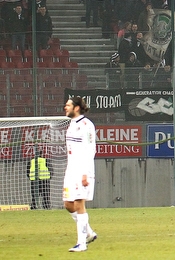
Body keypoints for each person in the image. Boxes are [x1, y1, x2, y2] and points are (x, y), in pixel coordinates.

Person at [63, 95, 98, 252]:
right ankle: (89, 232)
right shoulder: (71, 124)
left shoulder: (86, 125)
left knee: (79, 204)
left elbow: (90, 149)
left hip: (83, 170)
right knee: (68, 205)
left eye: (68, 105)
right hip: (71, 170)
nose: (65, 107)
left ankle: (81, 243)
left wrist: (85, 173)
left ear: (76, 108)